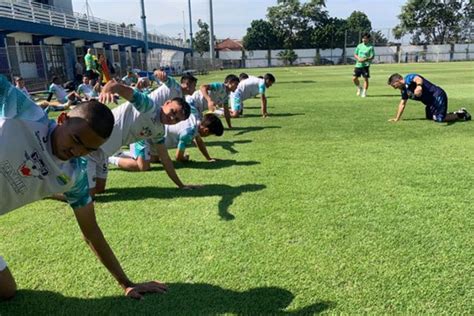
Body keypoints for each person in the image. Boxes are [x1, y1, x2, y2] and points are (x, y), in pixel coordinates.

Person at [0, 74, 166, 300]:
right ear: (63, 119)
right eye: (76, 140)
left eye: (87, 149)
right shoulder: (28, 113)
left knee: (6, 290)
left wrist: (126, 283)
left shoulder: (74, 176)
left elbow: (91, 232)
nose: (76, 151)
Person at [86, 75, 196, 196]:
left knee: (99, 189)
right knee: (88, 195)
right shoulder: (147, 105)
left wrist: (181, 185)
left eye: (176, 120)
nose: (172, 118)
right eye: (173, 112)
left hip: (104, 153)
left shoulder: (159, 130)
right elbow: (115, 85)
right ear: (167, 103)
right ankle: (60, 191)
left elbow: (165, 159)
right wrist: (107, 90)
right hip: (93, 143)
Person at [110, 112, 224, 169]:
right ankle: (110, 158)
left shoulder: (195, 121)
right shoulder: (188, 133)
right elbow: (178, 157)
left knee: (154, 159)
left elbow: (199, 141)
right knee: (143, 166)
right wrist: (185, 158)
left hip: (154, 140)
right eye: (210, 134)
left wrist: (208, 158)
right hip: (144, 134)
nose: (208, 137)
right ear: (206, 130)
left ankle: (120, 153)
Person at [387, 73, 471, 122]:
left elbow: (417, 78)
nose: (394, 88)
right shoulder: (404, 90)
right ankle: (453, 113)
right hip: (430, 103)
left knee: (439, 119)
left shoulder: (408, 78)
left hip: (437, 96)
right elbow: (402, 103)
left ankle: (461, 114)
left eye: (394, 85)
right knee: (430, 117)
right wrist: (397, 118)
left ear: (398, 81)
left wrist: (419, 86)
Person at [352, 33, 375, 98]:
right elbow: (355, 54)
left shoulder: (370, 47)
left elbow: (372, 56)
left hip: (365, 65)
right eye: (363, 38)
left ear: (368, 39)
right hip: (358, 65)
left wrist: (365, 59)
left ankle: (364, 92)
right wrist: (358, 58)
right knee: (354, 78)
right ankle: (359, 88)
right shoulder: (359, 46)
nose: (364, 39)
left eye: (365, 38)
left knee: (366, 79)